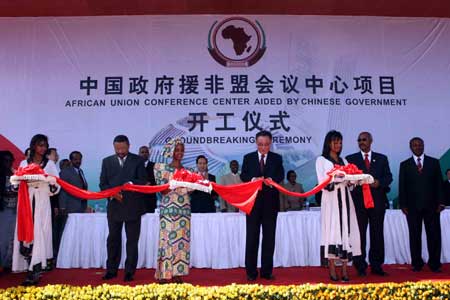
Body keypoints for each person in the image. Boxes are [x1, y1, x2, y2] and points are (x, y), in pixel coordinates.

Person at [12, 134, 60, 285]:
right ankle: (30, 267)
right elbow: (17, 182)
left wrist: (50, 184)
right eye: (40, 145)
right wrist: (16, 183)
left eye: (45, 145)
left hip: (42, 201)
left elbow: (57, 185)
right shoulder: (23, 162)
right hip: (26, 200)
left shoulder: (50, 164)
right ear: (33, 146)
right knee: (27, 233)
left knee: (41, 233)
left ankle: (36, 269)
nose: (43, 148)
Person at [100, 135, 148, 282]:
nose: (120, 151)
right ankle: (111, 270)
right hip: (114, 207)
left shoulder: (138, 161)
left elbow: (143, 181)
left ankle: (129, 272)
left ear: (129, 146)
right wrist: (113, 194)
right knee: (113, 239)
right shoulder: (107, 161)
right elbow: (103, 184)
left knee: (132, 241)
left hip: (133, 207)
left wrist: (131, 184)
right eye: (117, 148)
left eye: (123, 148)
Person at [316, 130, 360, 282]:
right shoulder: (321, 160)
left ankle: (345, 270)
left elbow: (350, 182)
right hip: (331, 199)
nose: (338, 145)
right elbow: (322, 182)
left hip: (345, 199)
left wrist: (354, 180)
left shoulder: (344, 161)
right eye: (335, 142)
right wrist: (336, 178)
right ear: (328, 143)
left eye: (340, 142)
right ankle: (333, 269)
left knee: (346, 230)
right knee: (332, 230)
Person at [346, 132, 392, 276]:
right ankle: (360, 266)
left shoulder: (382, 158)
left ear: (371, 141)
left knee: (377, 234)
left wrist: (379, 183)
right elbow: (347, 179)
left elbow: (388, 177)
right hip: (358, 204)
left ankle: (376, 265)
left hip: (377, 203)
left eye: (364, 139)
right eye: (359, 140)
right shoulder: (350, 159)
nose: (361, 142)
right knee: (359, 235)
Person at [240, 130, 284, 281]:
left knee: (269, 239)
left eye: (266, 144)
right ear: (256, 143)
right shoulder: (248, 158)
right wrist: (253, 179)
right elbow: (243, 175)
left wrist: (271, 180)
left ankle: (266, 271)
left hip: (271, 205)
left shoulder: (277, 158)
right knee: (252, 238)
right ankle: (251, 272)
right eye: (260, 144)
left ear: (270, 143)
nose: (263, 147)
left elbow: (280, 176)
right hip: (253, 204)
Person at [399, 137, 444, 273]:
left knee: (434, 236)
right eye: (414, 145)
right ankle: (417, 263)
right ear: (410, 147)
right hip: (412, 208)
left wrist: (441, 202)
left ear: (423, 146)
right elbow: (402, 186)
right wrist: (403, 204)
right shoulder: (405, 165)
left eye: (420, 145)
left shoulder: (434, 162)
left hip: (432, 206)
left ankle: (435, 264)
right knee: (414, 236)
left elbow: (439, 184)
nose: (417, 147)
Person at [154, 138, 191, 283]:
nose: (180, 153)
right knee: (167, 241)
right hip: (168, 210)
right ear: (171, 151)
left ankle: (177, 273)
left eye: (182, 150)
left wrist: (198, 183)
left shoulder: (189, 171)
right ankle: (163, 273)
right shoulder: (161, 169)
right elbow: (163, 191)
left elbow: (189, 191)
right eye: (177, 150)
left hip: (184, 211)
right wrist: (176, 182)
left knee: (182, 241)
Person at [0, 151, 17, 274]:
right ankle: (4, 264)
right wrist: (5, 192)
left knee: (12, 238)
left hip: (16, 209)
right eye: (5, 160)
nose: (8, 163)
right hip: (3, 209)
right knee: (4, 239)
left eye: (10, 160)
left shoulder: (15, 174)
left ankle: (9, 264)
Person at [138, 145, 157, 213]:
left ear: (149, 154)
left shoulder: (155, 166)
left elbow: (157, 180)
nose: (144, 154)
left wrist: (150, 184)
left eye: (146, 152)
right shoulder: (135, 166)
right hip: (138, 200)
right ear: (139, 154)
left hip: (150, 199)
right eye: (142, 152)